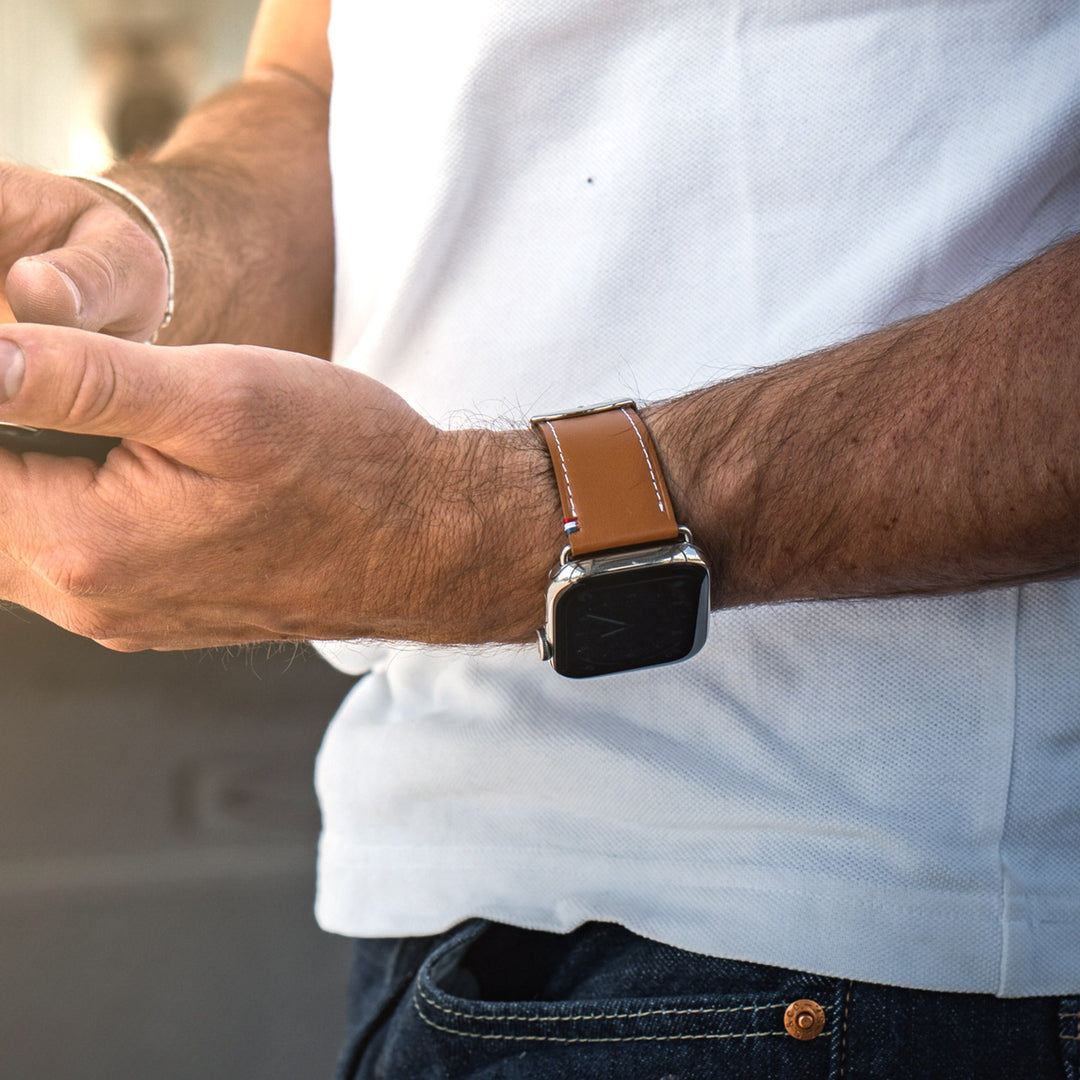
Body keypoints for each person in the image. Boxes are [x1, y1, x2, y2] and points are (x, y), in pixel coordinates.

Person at [0, 0, 1077, 1076]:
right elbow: (317, 87)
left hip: (884, 935)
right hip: (443, 916)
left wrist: (480, 525)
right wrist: (143, 243)